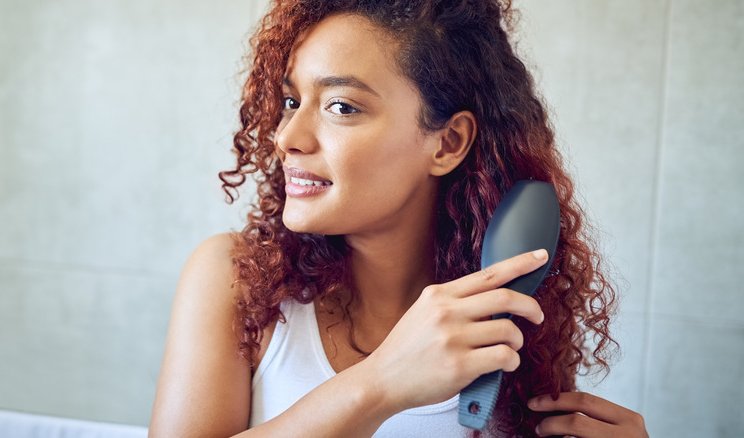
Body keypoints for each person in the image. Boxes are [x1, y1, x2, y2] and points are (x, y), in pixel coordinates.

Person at [149, 0, 649, 437]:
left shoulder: (511, 310)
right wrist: (379, 384)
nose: (287, 137)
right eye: (291, 102)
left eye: (341, 106)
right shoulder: (233, 279)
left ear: (447, 142)